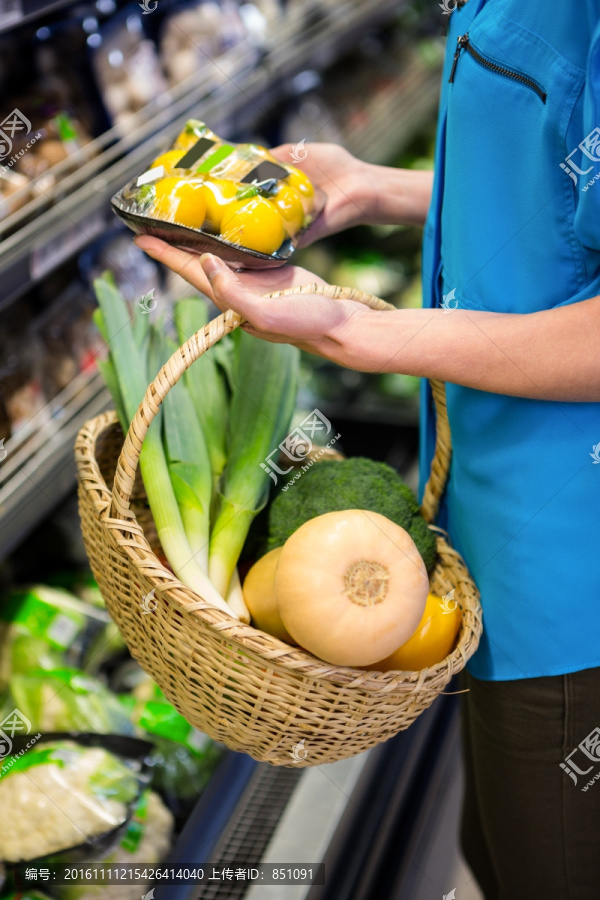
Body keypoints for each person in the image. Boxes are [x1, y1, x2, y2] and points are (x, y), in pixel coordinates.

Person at [134, 1, 600, 896]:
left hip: (570, 586)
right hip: (481, 538)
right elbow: (561, 181)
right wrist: (371, 189)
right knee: (495, 851)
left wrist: (361, 334)